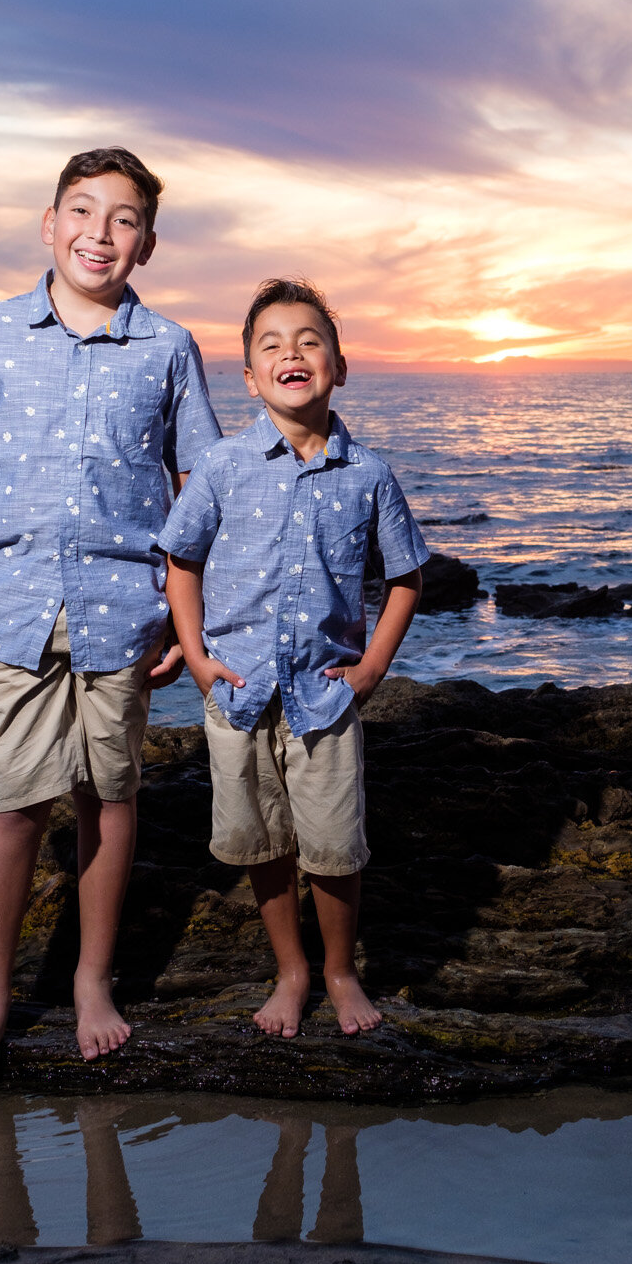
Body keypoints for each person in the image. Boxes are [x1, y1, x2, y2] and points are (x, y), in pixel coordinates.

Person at [0, 147, 221, 1086]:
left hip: (123, 614)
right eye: (82, 212)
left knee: (109, 794)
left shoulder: (167, 349)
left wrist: (186, 619)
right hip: (8, 610)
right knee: (9, 803)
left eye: (123, 218)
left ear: (148, 244)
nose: (100, 232)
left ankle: (93, 980)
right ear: (48, 225)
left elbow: (197, 490)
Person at [157, 278, 426, 1038]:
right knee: (260, 839)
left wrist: (371, 669)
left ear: (339, 364)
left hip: (327, 697)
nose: (291, 354)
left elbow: (405, 577)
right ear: (248, 376)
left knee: (335, 845)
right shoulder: (221, 466)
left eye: (309, 340)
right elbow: (182, 559)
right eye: (271, 345)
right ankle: (291, 969)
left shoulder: (368, 475)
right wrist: (196, 654)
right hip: (236, 690)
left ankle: (340, 970)